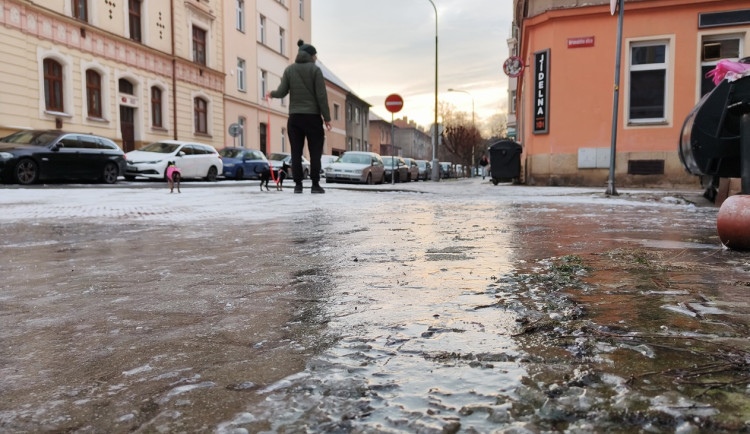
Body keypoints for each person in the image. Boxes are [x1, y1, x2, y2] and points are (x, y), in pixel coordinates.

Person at [266, 40, 332, 194]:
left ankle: (298, 185)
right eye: (315, 55)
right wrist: (327, 118)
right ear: (310, 55)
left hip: (295, 117)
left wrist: (272, 94)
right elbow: (321, 96)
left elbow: (282, 91)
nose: (316, 58)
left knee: (296, 152)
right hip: (312, 117)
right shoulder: (315, 71)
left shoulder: (290, 70)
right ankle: (315, 185)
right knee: (315, 152)